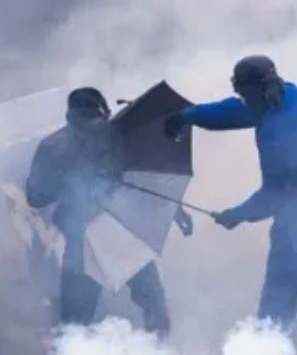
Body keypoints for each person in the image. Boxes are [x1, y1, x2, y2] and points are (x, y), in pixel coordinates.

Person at [165, 56, 297, 328]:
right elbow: (235, 112)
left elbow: (276, 193)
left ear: (254, 90)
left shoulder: (278, 133)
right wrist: (187, 116)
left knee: (277, 303)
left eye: (243, 93)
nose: (241, 99)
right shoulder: (289, 94)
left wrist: (238, 214)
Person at [27, 87, 184, 336]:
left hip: (122, 228)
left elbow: (148, 176)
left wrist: (176, 209)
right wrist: (66, 184)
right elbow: (35, 197)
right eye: (86, 121)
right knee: (77, 321)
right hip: (88, 235)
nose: (93, 127)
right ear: (72, 119)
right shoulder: (56, 147)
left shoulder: (116, 137)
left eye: (97, 121)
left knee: (153, 303)